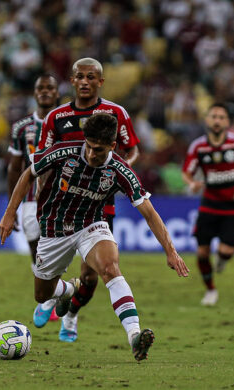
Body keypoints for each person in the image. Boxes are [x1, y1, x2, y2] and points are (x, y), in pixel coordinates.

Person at [0, 113, 189, 361]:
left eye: (98, 149)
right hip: (54, 229)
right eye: (88, 146)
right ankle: (68, 290)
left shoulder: (120, 170)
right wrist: (9, 213)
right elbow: (28, 174)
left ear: (112, 146)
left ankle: (134, 336)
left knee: (110, 268)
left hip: (91, 224)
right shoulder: (63, 151)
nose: (90, 154)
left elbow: (150, 214)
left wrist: (171, 251)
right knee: (42, 295)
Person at [37, 57, 140, 343]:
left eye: (91, 77)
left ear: (100, 81)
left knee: (92, 275)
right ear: (71, 81)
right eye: (79, 76)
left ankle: (70, 314)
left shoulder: (116, 112)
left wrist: (118, 170)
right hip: (60, 206)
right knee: (47, 272)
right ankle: (55, 293)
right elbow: (43, 164)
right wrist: (40, 196)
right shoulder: (56, 118)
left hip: (97, 205)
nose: (85, 82)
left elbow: (131, 151)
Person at [7, 74, 59, 324]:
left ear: (57, 92)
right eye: (41, 87)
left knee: (57, 245)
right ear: (35, 92)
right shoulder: (21, 127)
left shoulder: (66, 122)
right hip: (29, 197)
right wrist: (11, 207)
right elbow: (14, 168)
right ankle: (49, 293)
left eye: (50, 87)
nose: (45, 91)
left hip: (60, 194)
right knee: (34, 244)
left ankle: (55, 296)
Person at [181, 103, 234, 306]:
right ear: (207, 120)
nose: (217, 120)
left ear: (227, 122)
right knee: (202, 253)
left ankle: (222, 260)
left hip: (233, 208)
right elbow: (186, 172)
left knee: (226, 252)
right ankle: (211, 291)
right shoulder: (198, 146)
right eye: (213, 116)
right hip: (209, 204)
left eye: (221, 117)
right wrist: (192, 183)